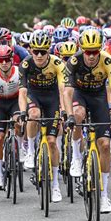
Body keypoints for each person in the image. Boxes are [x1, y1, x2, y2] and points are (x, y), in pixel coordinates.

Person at [64, 29, 111, 213]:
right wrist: (69, 116)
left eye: (95, 51)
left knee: (104, 145)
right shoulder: (74, 61)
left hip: (98, 97)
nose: (90, 56)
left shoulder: (108, 60)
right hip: (79, 94)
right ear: (81, 48)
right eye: (87, 51)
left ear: (100, 49)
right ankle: (76, 156)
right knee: (78, 113)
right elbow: (66, 92)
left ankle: (104, 195)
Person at [18, 30, 66, 203]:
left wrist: (63, 110)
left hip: (52, 98)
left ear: (49, 51)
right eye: (35, 51)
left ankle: (55, 185)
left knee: (52, 142)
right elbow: (22, 92)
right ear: (30, 50)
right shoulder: (25, 64)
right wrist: (23, 112)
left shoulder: (57, 63)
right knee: (34, 114)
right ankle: (30, 151)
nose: (38, 55)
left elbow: (63, 90)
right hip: (34, 95)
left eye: (43, 52)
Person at [0, 45, 21, 189]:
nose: (4, 63)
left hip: (15, 101)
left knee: (19, 122)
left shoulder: (19, 72)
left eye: (7, 59)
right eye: (1, 60)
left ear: (12, 59)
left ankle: (19, 146)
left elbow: (25, 92)